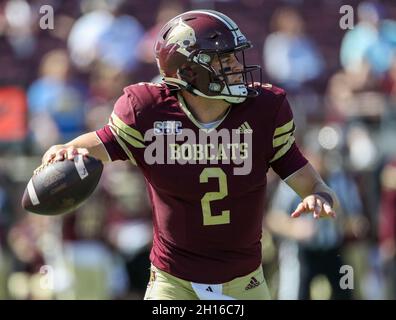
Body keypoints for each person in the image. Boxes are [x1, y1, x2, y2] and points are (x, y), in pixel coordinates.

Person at [38, 10, 339, 300]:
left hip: (244, 281)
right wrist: (67, 148)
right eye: (224, 59)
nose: (236, 65)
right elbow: (104, 141)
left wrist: (318, 195)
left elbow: (309, 182)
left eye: (235, 56)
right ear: (188, 69)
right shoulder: (147, 110)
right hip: (173, 280)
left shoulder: (263, 110)